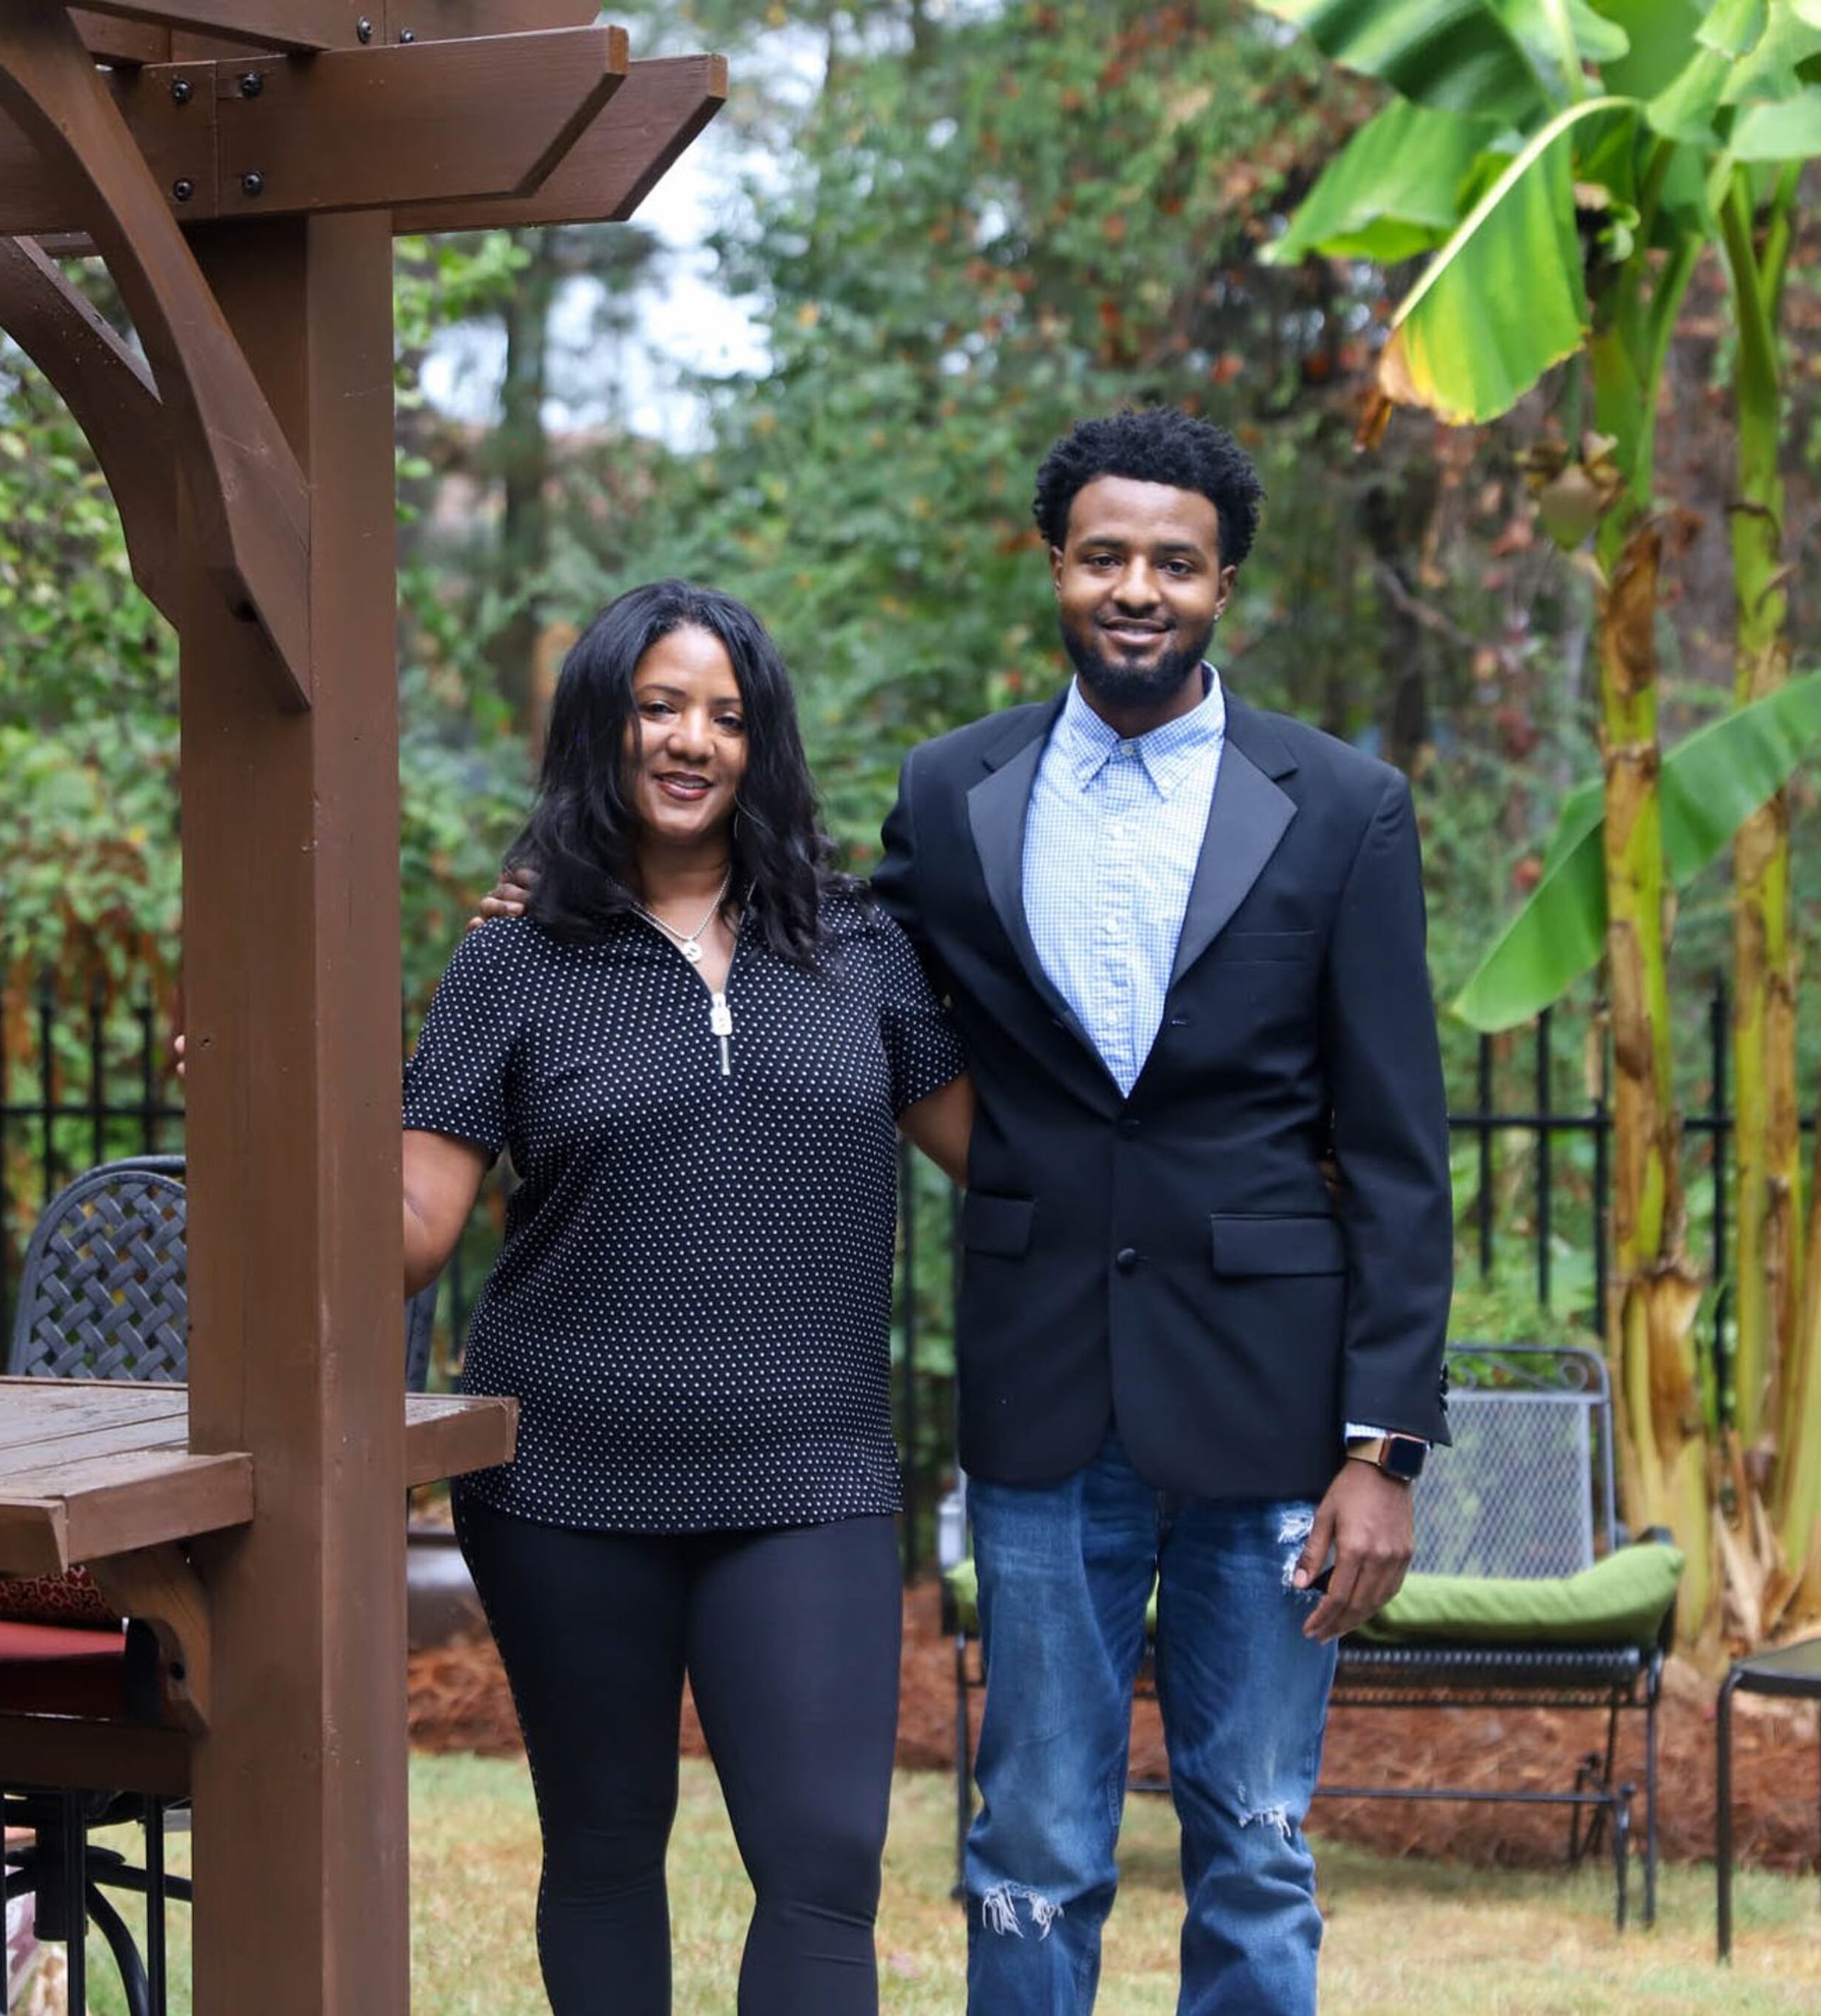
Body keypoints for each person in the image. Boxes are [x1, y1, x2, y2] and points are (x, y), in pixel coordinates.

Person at [871, 407, 1452, 2013]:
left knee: (1257, 1837)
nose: (1140, 586)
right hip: (1044, 1389)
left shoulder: (1341, 807)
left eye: (1175, 562)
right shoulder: (954, 792)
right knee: (1032, 1843)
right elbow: (825, 959)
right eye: (1108, 554)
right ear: (1053, 566)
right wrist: (569, 895)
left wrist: (1381, 1448)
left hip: (1276, 1416)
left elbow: (1401, 1149)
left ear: (1225, 586)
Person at [401, 580, 972, 2016]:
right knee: (602, 1847)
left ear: (761, 746)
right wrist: (261, 1104)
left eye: (725, 714)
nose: (690, 740)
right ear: (602, 725)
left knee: (826, 1864)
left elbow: (1007, 1152)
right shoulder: (514, 958)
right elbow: (412, 1230)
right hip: (566, 1479)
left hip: (810, 1468)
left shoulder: (856, 946)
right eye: (659, 705)